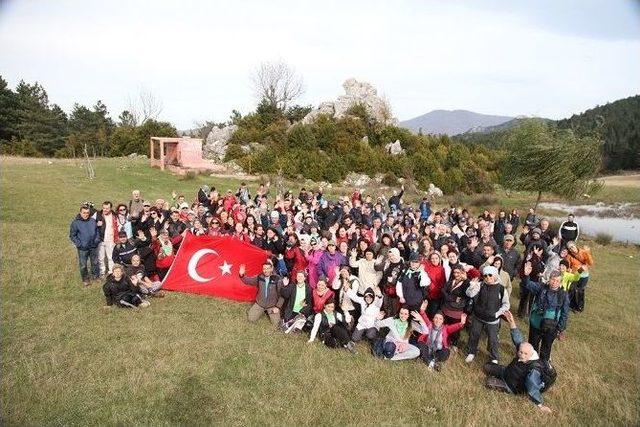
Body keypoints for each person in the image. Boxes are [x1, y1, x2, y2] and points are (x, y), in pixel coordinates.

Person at [483, 311, 553, 414]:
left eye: (525, 354)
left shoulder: (534, 368)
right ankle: (499, 374)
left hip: (511, 386)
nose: (522, 355)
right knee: (486, 367)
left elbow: (532, 387)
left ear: (531, 354)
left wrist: (540, 405)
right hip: (506, 372)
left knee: (488, 382)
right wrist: (511, 321)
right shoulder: (523, 348)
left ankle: (503, 385)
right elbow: (517, 338)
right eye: (520, 352)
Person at [521, 263, 569, 361]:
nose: (554, 282)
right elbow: (527, 284)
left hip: (551, 327)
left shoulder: (563, 295)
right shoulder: (541, 287)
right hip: (536, 324)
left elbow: (565, 313)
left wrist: (559, 328)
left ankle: (543, 368)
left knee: (546, 350)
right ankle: (531, 365)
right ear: (549, 279)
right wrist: (526, 275)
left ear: (560, 283)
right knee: (533, 348)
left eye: (557, 281)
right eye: (553, 279)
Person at [465, 265, 510, 364]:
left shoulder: (501, 289)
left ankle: (494, 357)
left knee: (493, 339)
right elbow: (470, 294)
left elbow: (506, 305)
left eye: (490, 275)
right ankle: (471, 352)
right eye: (485, 276)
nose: (488, 278)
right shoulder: (480, 285)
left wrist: (497, 314)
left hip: (493, 320)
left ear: (495, 275)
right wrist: (472, 287)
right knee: (474, 335)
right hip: (478, 316)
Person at [416, 300, 467, 370]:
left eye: (440, 319)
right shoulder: (429, 324)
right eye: (436, 318)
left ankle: (429, 359)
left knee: (446, 352)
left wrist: (461, 323)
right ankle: (430, 361)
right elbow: (424, 316)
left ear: (443, 321)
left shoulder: (446, 328)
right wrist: (422, 310)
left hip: (437, 351)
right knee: (420, 345)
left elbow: (455, 327)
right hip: (427, 347)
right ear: (433, 319)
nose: (438, 320)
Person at [239, 261, 284, 327]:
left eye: (268, 268)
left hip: (272, 305)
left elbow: (282, 295)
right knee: (251, 319)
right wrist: (242, 275)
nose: (266, 270)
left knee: (276, 324)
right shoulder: (260, 277)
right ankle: (260, 310)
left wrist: (277, 307)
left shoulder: (278, 279)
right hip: (260, 304)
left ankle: (270, 312)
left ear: (271, 269)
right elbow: (248, 281)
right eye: (264, 269)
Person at [69, 204, 101, 286]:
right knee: (83, 265)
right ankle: (85, 279)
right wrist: (79, 244)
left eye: (87, 213)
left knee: (95, 262)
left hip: (93, 246)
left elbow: (97, 232)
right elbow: (72, 236)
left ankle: (96, 276)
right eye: (84, 213)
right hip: (83, 248)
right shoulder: (75, 223)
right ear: (80, 212)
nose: (86, 214)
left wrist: (97, 240)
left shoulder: (92, 221)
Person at [565, 241, 594, 312]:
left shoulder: (583, 252)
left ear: (575, 245)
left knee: (580, 291)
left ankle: (579, 307)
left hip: (584, 275)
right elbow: (568, 266)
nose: (571, 249)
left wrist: (587, 253)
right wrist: (570, 270)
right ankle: (571, 306)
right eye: (569, 248)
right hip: (575, 275)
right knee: (572, 290)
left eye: (572, 247)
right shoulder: (569, 256)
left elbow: (590, 263)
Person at [94, 201, 118, 277]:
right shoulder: (97, 214)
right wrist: (96, 224)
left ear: (111, 208)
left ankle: (111, 271)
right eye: (104, 208)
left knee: (110, 257)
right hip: (100, 239)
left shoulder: (114, 215)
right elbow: (90, 223)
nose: (105, 210)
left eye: (107, 208)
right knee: (101, 257)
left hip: (111, 239)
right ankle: (102, 272)